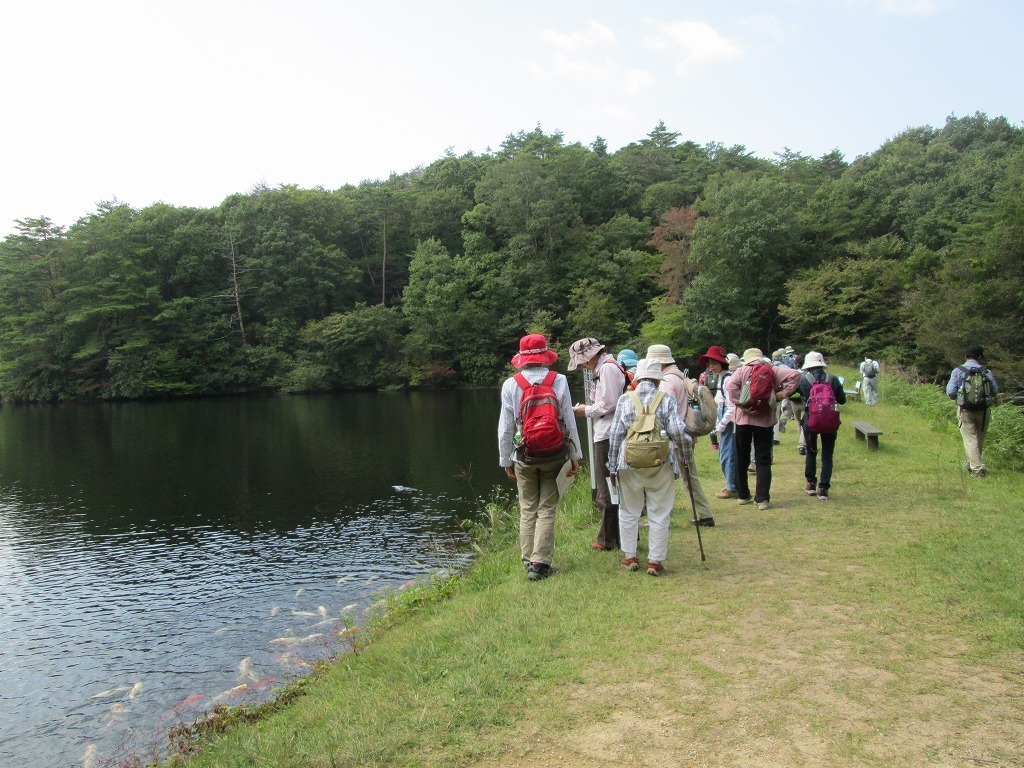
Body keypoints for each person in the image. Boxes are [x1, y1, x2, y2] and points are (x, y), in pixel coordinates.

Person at [498, 334, 582, 581]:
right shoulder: (560, 380)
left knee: (527, 509)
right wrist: (575, 454)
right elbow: (567, 418)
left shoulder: (511, 384)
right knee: (547, 509)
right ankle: (540, 564)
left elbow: (505, 428)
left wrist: (506, 460)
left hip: (524, 455)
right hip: (555, 454)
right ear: (545, 356)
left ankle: (528, 563)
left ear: (522, 358)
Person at [607, 358, 688, 576]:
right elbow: (678, 433)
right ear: (656, 379)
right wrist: (684, 460)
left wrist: (612, 465)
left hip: (629, 464)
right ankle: (655, 561)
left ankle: (630, 556)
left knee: (628, 511)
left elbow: (614, 435)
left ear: (639, 378)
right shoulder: (666, 399)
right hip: (660, 463)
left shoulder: (625, 400)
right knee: (660, 512)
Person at [646, 344, 715, 527]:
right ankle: (703, 514)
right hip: (686, 433)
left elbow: (664, 409)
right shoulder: (680, 376)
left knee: (668, 480)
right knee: (689, 477)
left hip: (675, 438)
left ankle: (663, 518)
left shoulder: (667, 381)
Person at [724, 348, 801, 511]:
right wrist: (782, 394)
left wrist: (740, 403)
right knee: (763, 460)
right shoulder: (772, 369)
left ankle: (743, 495)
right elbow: (795, 374)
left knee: (741, 458)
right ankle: (762, 499)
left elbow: (730, 385)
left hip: (743, 420)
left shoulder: (741, 370)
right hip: (765, 420)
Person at [570, 338, 626, 551]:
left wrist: (586, 410)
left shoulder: (608, 370)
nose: (583, 367)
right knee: (610, 486)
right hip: (606, 432)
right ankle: (615, 536)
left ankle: (610, 539)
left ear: (592, 356)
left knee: (608, 487)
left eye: (583, 362)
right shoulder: (605, 369)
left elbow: (609, 404)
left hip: (608, 434)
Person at [798, 351, 847, 501]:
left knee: (811, 451)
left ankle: (811, 483)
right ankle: (823, 488)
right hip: (830, 420)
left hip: (810, 421)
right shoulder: (832, 379)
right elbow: (842, 400)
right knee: (827, 454)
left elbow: (795, 396)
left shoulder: (804, 380)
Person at [945, 344, 999, 478]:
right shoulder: (986, 371)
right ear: (980, 357)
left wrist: (960, 399)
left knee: (970, 439)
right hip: (984, 410)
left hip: (965, 409)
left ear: (965, 356)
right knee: (978, 438)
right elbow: (995, 391)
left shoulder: (958, 370)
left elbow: (950, 392)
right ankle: (973, 464)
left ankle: (977, 469)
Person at [700, 346, 738, 500]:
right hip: (722, 415)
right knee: (724, 452)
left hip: (727, 418)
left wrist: (721, 424)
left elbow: (731, 405)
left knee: (727, 453)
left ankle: (732, 487)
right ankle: (730, 484)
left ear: (721, 363)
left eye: (713, 363)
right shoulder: (721, 378)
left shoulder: (728, 379)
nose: (710, 366)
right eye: (709, 364)